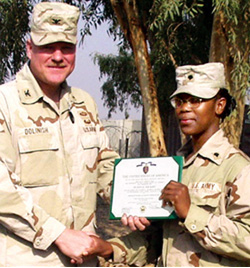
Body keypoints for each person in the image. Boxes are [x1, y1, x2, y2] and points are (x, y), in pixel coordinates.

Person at [83, 62, 250, 267]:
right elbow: (160, 238)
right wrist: (111, 248)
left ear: (219, 105)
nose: (185, 108)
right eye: (180, 101)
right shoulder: (173, 167)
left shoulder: (238, 168)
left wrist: (191, 213)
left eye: (196, 100)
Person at [0, 2, 119, 266]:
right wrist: (58, 234)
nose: (57, 56)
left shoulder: (84, 103)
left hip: (85, 258)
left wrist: (133, 201)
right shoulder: (5, 103)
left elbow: (104, 167)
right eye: (47, 47)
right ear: (30, 48)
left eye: (66, 48)